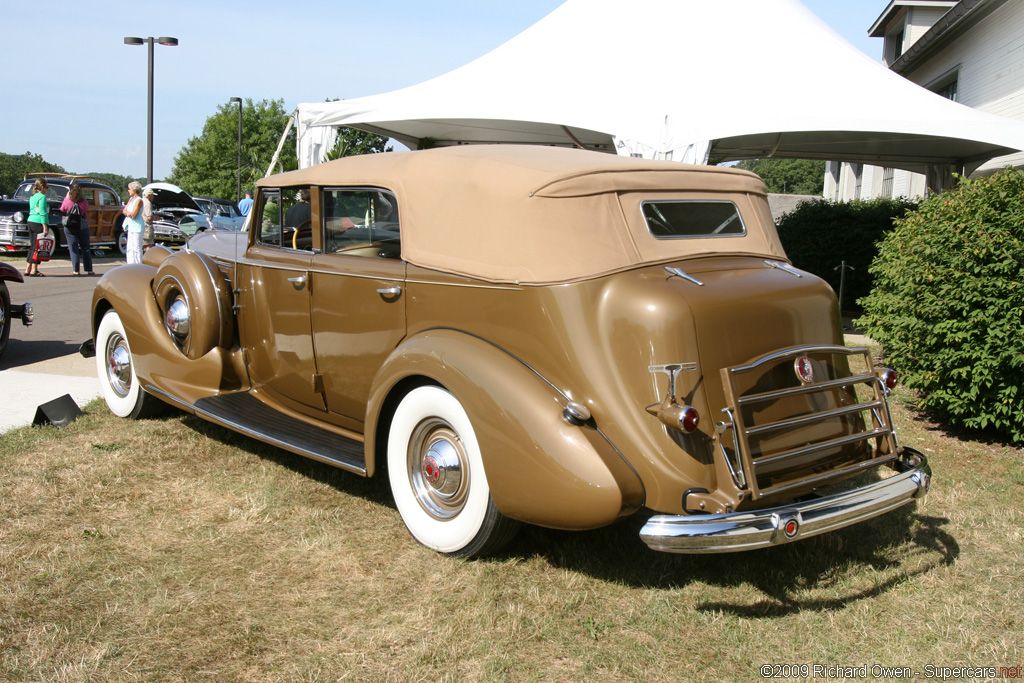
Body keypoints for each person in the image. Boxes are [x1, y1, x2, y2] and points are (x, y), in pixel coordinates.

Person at [59, 183, 94, 276]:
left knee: (73, 248)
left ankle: (76, 270)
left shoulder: (67, 201)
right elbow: (86, 209)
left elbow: (62, 209)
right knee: (85, 248)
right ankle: (89, 269)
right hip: (82, 226)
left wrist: (66, 198)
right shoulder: (84, 202)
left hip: (70, 227)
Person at [25, 178, 50, 277]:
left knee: (32, 246)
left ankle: (28, 268)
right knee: (38, 247)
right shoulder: (42, 197)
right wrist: (45, 226)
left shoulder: (33, 196)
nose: (47, 190)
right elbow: (42, 212)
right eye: (47, 187)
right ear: (43, 187)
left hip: (30, 220)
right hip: (38, 222)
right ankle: (34, 269)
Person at [122, 181, 145, 264]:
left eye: (129, 189)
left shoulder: (139, 200)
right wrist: (129, 213)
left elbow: (134, 215)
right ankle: (130, 264)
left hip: (137, 226)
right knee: (130, 247)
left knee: (137, 248)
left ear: (134, 190)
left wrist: (128, 213)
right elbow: (124, 210)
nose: (128, 191)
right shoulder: (131, 199)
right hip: (131, 226)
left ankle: (138, 265)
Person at [142, 187, 156, 252]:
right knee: (149, 244)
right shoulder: (147, 203)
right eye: (152, 195)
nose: (153, 197)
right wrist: (156, 218)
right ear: (149, 195)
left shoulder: (141, 201)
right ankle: (147, 259)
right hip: (147, 226)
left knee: (142, 243)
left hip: (141, 225)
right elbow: (149, 217)